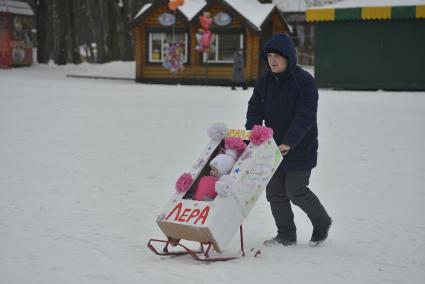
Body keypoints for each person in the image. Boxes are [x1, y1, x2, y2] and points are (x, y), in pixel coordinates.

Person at [245, 34, 332, 247]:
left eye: (277, 56)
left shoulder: (303, 81)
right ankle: (286, 234)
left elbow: (306, 115)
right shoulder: (265, 80)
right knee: (275, 192)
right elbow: (255, 107)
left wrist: (289, 142)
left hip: (301, 146)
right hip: (272, 148)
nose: (272, 60)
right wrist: (253, 133)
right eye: (269, 56)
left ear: (288, 58)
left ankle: (322, 222)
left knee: (296, 191)